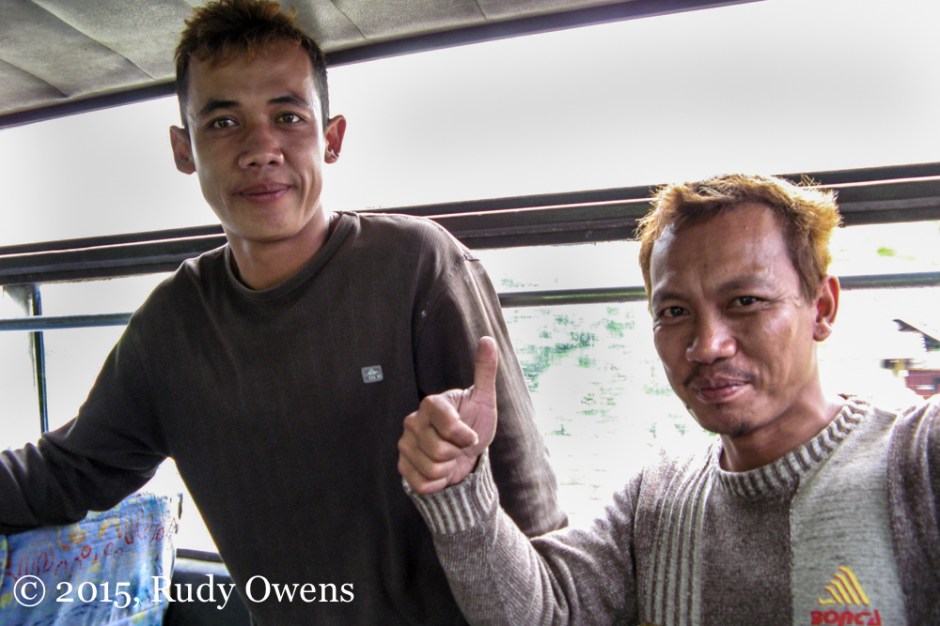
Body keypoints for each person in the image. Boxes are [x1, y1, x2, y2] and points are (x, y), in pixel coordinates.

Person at [0, 0, 566, 623]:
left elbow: (533, 515)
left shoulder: (417, 268)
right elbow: (69, 471)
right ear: (183, 148)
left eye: (288, 116)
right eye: (222, 123)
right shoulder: (172, 328)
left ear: (331, 139)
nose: (260, 148)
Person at [399, 173, 940, 625]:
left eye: (746, 301)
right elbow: (545, 611)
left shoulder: (914, 462)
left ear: (821, 307)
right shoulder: (656, 502)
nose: (707, 346)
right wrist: (457, 484)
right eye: (675, 313)